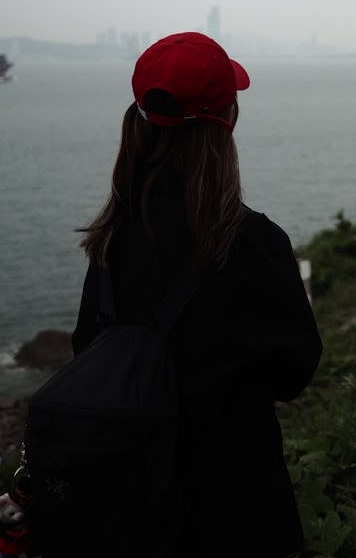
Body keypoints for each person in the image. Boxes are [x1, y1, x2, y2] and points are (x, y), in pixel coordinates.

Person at [59, 32, 322, 556]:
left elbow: (87, 350)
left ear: (139, 121)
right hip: (237, 514)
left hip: (129, 516)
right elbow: (295, 369)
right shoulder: (254, 244)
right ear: (227, 123)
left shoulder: (110, 241)